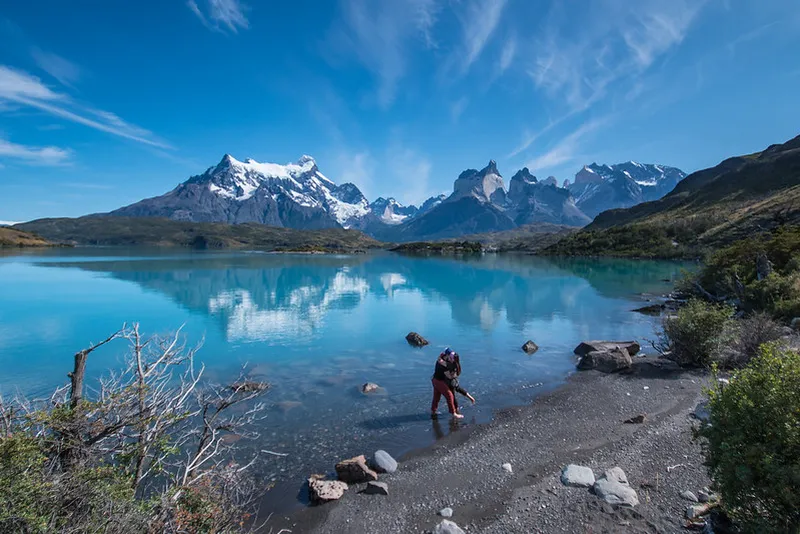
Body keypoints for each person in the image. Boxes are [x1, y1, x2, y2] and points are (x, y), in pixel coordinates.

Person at [431, 348, 462, 419]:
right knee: (449, 395)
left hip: (434, 379)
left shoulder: (441, 359)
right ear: (447, 355)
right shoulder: (444, 364)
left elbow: (439, 358)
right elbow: (449, 376)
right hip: (439, 381)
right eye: (451, 358)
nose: (452, 359)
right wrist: (454, 376)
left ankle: (433, 411)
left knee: (436, 397)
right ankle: (453, 413)